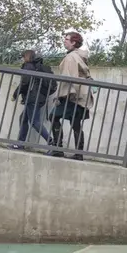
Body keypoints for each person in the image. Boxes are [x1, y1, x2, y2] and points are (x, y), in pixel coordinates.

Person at [49, 32, 93, 161]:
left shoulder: (71, 57)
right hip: (80, 94)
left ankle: (58, 148)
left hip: (72, 95)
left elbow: (68, 78)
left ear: (74, 42)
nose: (64, 41)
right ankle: (78, 153)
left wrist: (60, 95)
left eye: (67, 39)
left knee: (53, 116)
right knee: (75, 123)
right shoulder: (79, 56)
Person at [11, 50, 55, 149]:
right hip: (37, 98)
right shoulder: (37, 67)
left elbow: (25, 83)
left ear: (26, 57)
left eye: (23, 57)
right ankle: (20, 143)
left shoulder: (29, 66)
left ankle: (51, 142)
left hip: (32, 98)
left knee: (35, 122)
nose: (22, 59)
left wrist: (15, 94)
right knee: (23, 118)